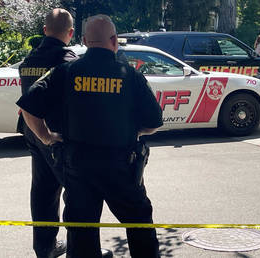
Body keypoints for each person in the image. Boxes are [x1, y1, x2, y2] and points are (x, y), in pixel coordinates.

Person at [16, 14, 163, 258]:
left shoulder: (65, 71)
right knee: (140, 228)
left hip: (78, 168)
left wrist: (46, 137)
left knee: (81, 236)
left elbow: (28, 106)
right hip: (122, 169)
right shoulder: (130, 74)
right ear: (114, 40)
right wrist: (133, 130)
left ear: (84, 40)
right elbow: (154, 123)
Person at [18, 8, 76, 257]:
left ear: (44, 30)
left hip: (33, 132)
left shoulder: (30, 59)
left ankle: (45, 247)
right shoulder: (67, 61)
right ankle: (79, 248)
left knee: (42, 192)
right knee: (76, 192)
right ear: (70, 33)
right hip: (56, 136)